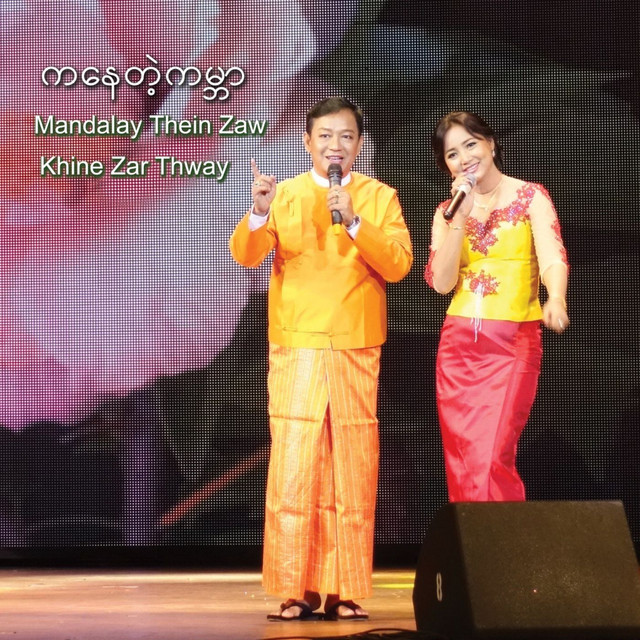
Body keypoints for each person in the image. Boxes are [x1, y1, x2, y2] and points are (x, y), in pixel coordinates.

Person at [229, 97, 413, 620]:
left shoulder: (378, 197)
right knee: (295, 465)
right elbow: (245, 255)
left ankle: (345, 588)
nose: (336, 146)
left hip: (355, 341)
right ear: (307, 142)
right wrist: (258, 212)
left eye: (346, 137)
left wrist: (354, 222)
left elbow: (398, 265)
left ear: (359, 144)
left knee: (352, 466)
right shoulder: (284, 193)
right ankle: (296, 588)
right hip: (298, 343)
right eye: (326, 136)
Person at [425, 111, 569, 503]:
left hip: (512, 343)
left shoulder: (530, 196)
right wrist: (459, 219)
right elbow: (441, 283)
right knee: (464, 459)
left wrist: (556, 297)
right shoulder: (447, 211)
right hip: (458, 350)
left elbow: (552, 255)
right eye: (452, 154)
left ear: (490, 144)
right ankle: (473, 540)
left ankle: (502, 539)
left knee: (492, 456)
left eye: (470, 144)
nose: (464, 158)